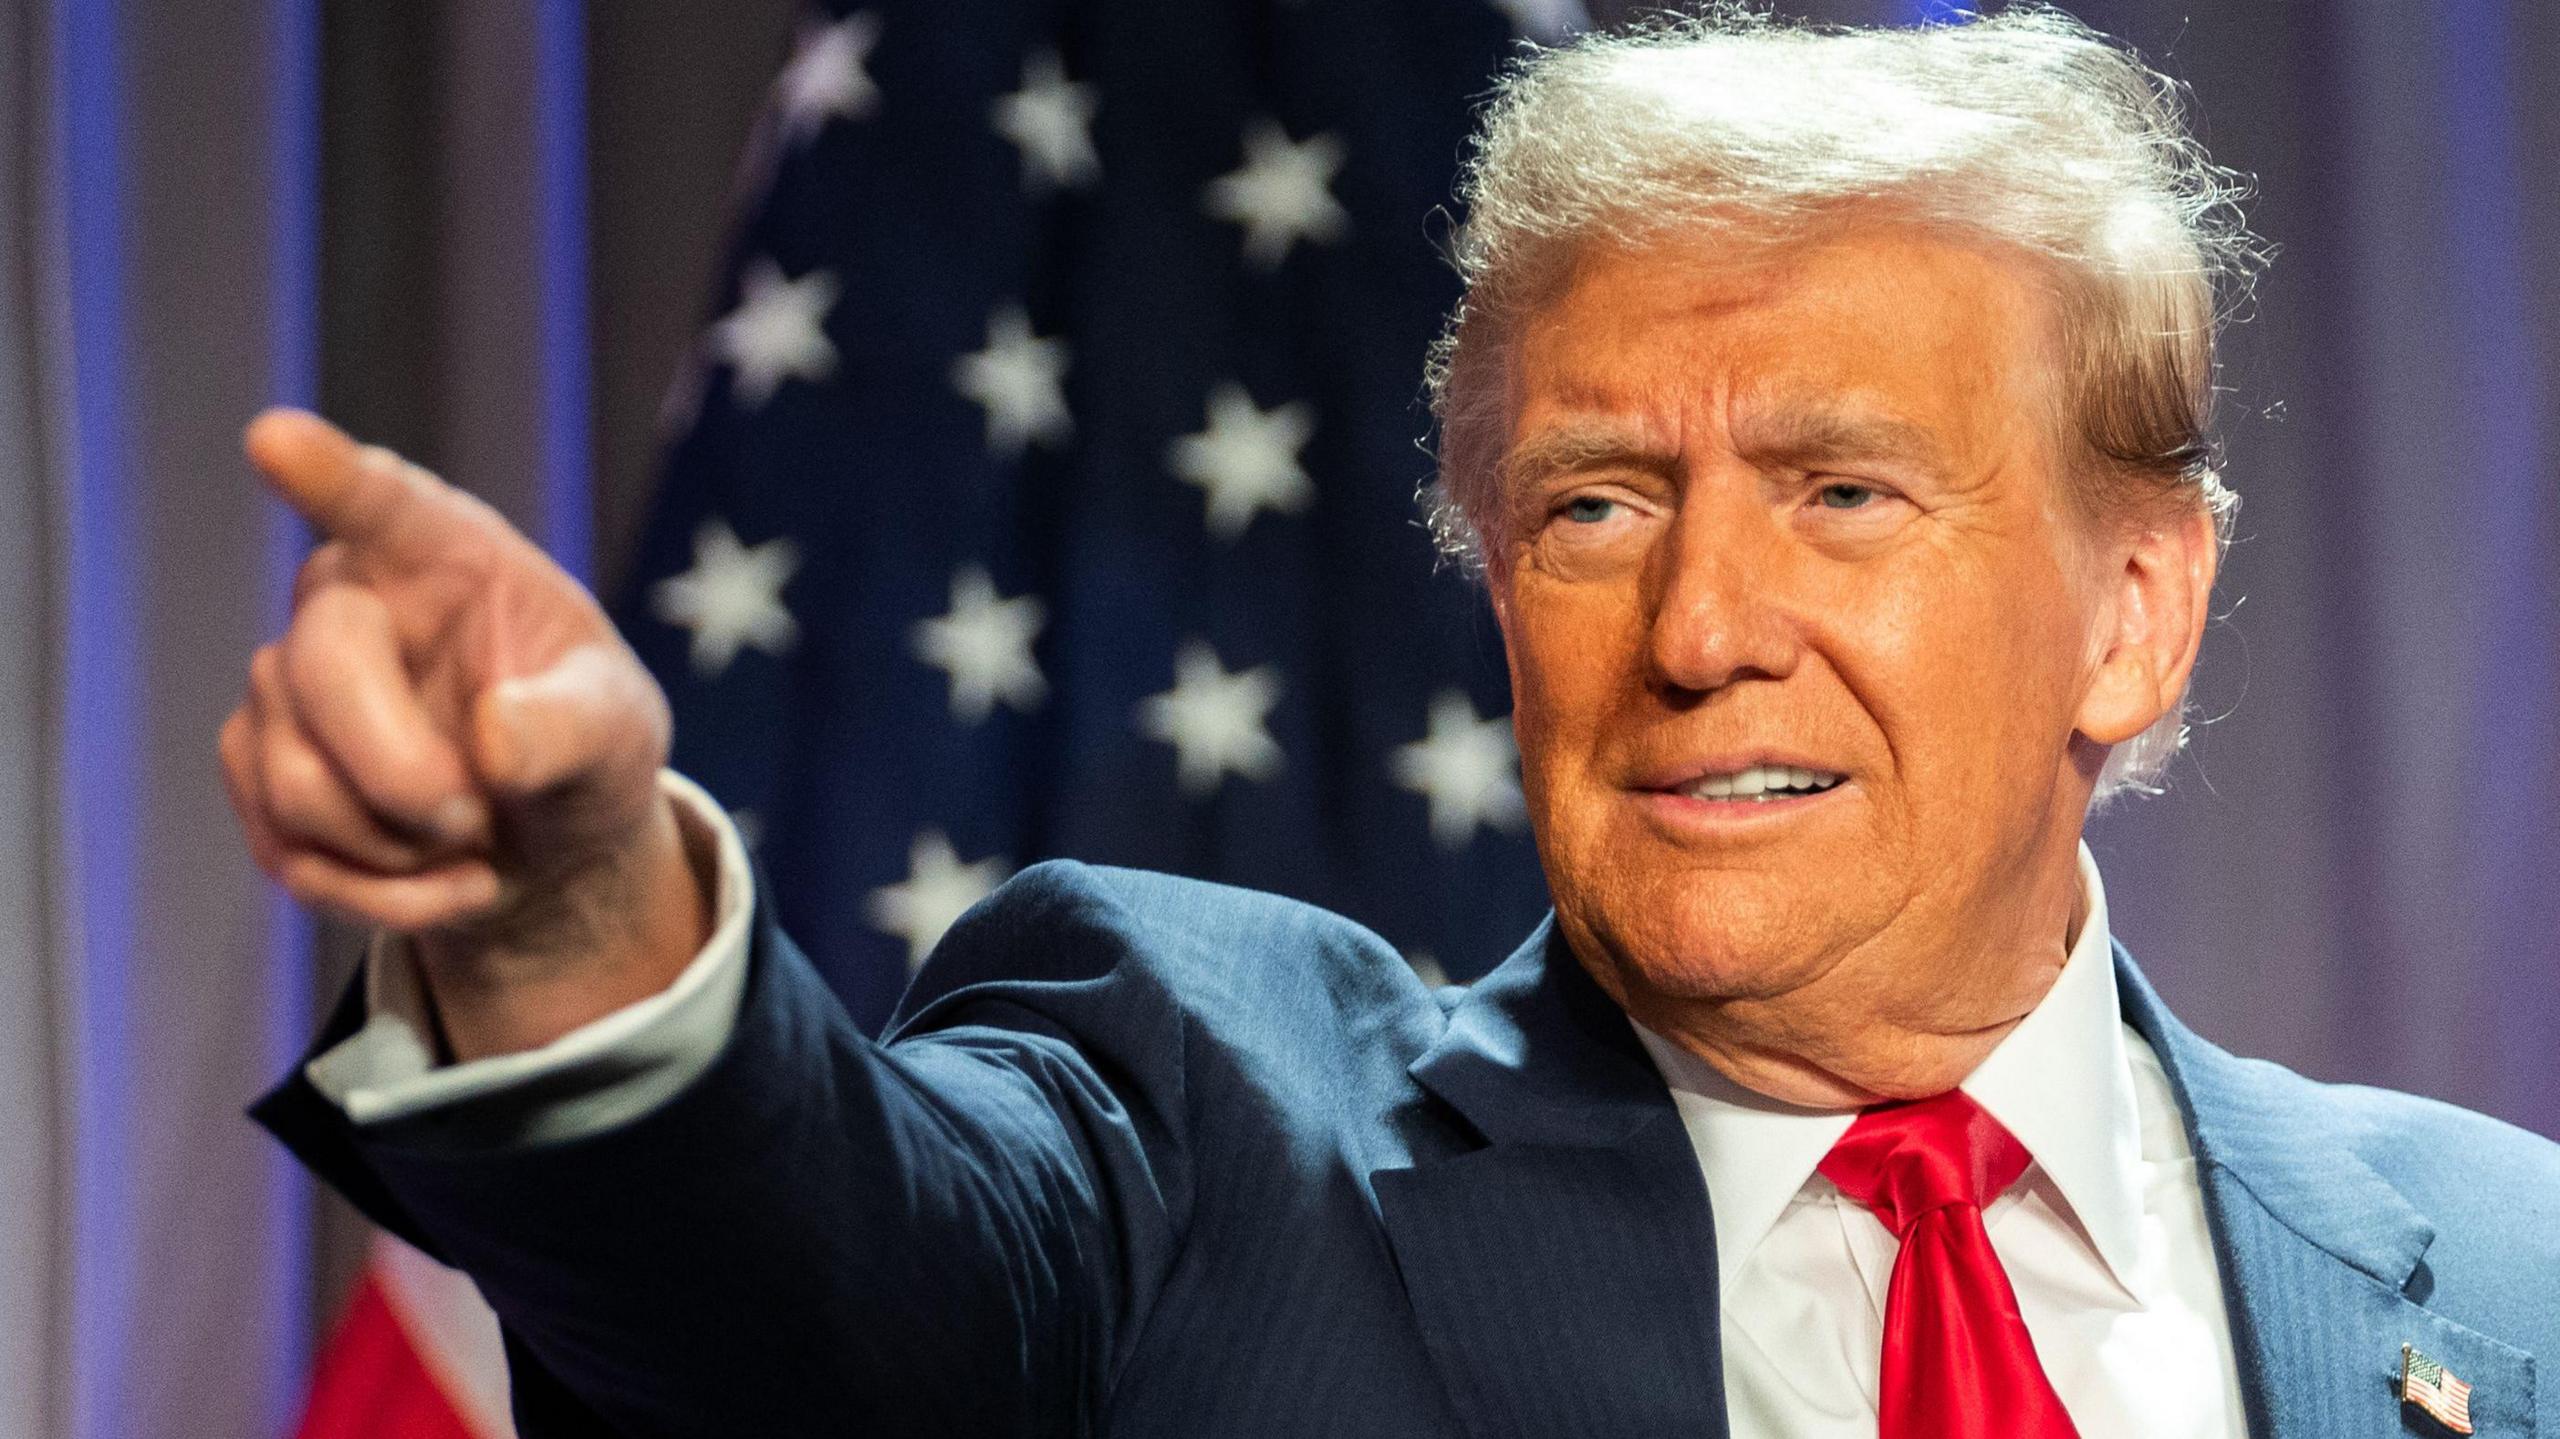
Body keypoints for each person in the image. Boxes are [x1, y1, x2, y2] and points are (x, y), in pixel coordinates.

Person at [232, 10, 2560, 1438]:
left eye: (1841, 493)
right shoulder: (1195, 1142)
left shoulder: (2508, 1279)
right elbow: (821, 1292)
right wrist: (567, 918)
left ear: (2132, 614)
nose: (1696, 620)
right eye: (1592, 502)